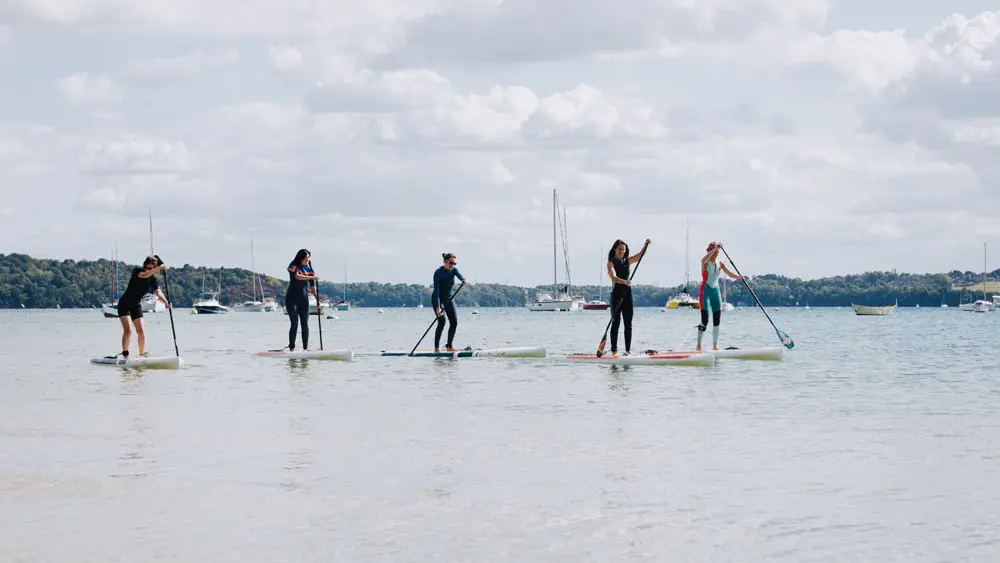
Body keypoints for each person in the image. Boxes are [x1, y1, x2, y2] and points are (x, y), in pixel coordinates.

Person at [116, 254, 171, 358]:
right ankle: (125, 354)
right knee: (128, 331)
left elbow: (158, 293)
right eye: (146, 267)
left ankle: (141, 354)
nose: (147, 269)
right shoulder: (137, 271)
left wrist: (167, 302)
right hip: (124, 304)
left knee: (140, 330)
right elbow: (144, 275)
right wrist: (159, 268)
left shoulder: (153, 280)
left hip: (136, 305)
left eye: (150, 268)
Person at [606, 238, 650, 356]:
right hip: (616, 294)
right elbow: (613, 277)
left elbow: (640, 255)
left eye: (623, 249)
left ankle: (627, 350)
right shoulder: (611, 263)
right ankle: (614, 351)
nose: (622, 251)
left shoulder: (627, 261)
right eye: (620, 249)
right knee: (616, 322)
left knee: (628, 323)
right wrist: (625, 281)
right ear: (615, 249)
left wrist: (645, 245)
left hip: (627, 294)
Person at [696, 241, 743, 351]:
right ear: (710, 251)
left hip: (715, 292)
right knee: (705, 320)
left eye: (718, 252)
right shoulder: (705, 263)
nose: (716, 254)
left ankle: (715, 346)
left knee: (717, 320)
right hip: (705, 292)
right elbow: (702, 260)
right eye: (714, 251)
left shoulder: (720, 263)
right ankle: (699, 346)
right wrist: (713, 249)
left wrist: (738, 277)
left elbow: (729, 273)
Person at [432, 252, 468, 352]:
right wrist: (438, 308)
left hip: (449, 298)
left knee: (454, 322)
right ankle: (436, 347)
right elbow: (437, 291)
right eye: (451, 263)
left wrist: (463, 280)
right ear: (445, 262)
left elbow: (460, 276)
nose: (453, 265)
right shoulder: (438, 272)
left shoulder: (453, 270)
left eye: (454, 263)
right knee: (442, 322)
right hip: (437, 298)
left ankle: (449, 346)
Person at [286, 249, 320, 351]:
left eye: (308, 258)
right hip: (292, 298)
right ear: (300, 258)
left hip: (303, 299)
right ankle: (291, 348)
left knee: (304, 323)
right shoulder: (293, 265)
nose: (307, 260)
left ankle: (305, 349)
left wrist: (317, 300)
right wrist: (311, 277)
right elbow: (297, 276)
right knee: (295, 323)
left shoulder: (309, 269)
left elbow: (313, 288)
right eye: (305, 258)